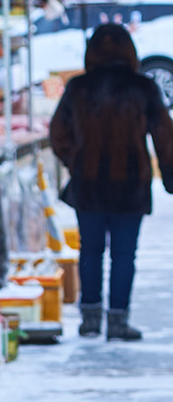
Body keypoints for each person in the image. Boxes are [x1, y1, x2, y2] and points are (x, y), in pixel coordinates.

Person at [48, 23, 173, 340]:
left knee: (89, 252)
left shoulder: (79, 87)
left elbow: (58, 135)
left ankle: (90, 320)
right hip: (131, 186)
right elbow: (166, 137)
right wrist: (169, 174)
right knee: (124, 255)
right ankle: (117, 322)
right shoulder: (142, 87)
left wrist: (75, 162)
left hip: (88, 186)